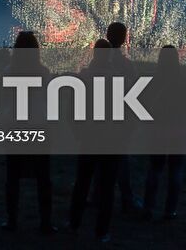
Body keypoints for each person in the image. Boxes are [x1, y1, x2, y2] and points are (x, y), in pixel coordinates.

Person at [1, 31, 55, 235]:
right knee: (43, 177)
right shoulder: (43, 72)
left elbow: (5, 100)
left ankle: (12, 220)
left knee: (12, 176)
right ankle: (45, 222)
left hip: (14, 127)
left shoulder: (8, 71)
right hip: (39, 126)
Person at [68, 40, 120, 243]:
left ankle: (74, 222)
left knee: (82, 182)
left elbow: (73, 108)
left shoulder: (84, 76)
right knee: (107, 188)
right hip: (111, 138)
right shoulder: (117, 78)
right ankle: (102, 230)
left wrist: (77, 131)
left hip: (89, 136)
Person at [142, 45, 186, 222]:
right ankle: (170, 210)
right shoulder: (183, 80)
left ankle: (148, 207)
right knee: (175, 171)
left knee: (154, 169)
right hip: (179, 130)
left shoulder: (153, 80)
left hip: (158, 129)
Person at [105, 21, 141, 214]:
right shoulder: (125, 65)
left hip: (98, 119)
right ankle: (126, 199)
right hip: (118, 119)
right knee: (121, 160)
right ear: (124, 37)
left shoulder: (97, 60)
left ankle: (97, 196)